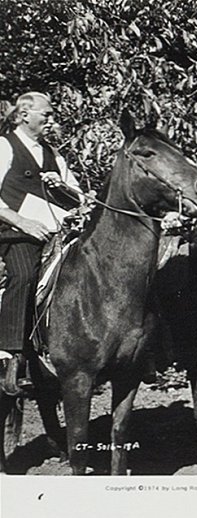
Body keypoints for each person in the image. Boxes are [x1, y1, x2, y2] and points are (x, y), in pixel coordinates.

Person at [0, 91, 82, 396]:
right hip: (15, 232)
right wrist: (23, 222)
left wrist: (60, 185)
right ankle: (12, 359)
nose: (51, 120)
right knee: (24, 274)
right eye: (45, 115)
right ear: (24, 115)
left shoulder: (53, 154)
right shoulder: (5, 146)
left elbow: (77, 195)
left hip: (56, 231)